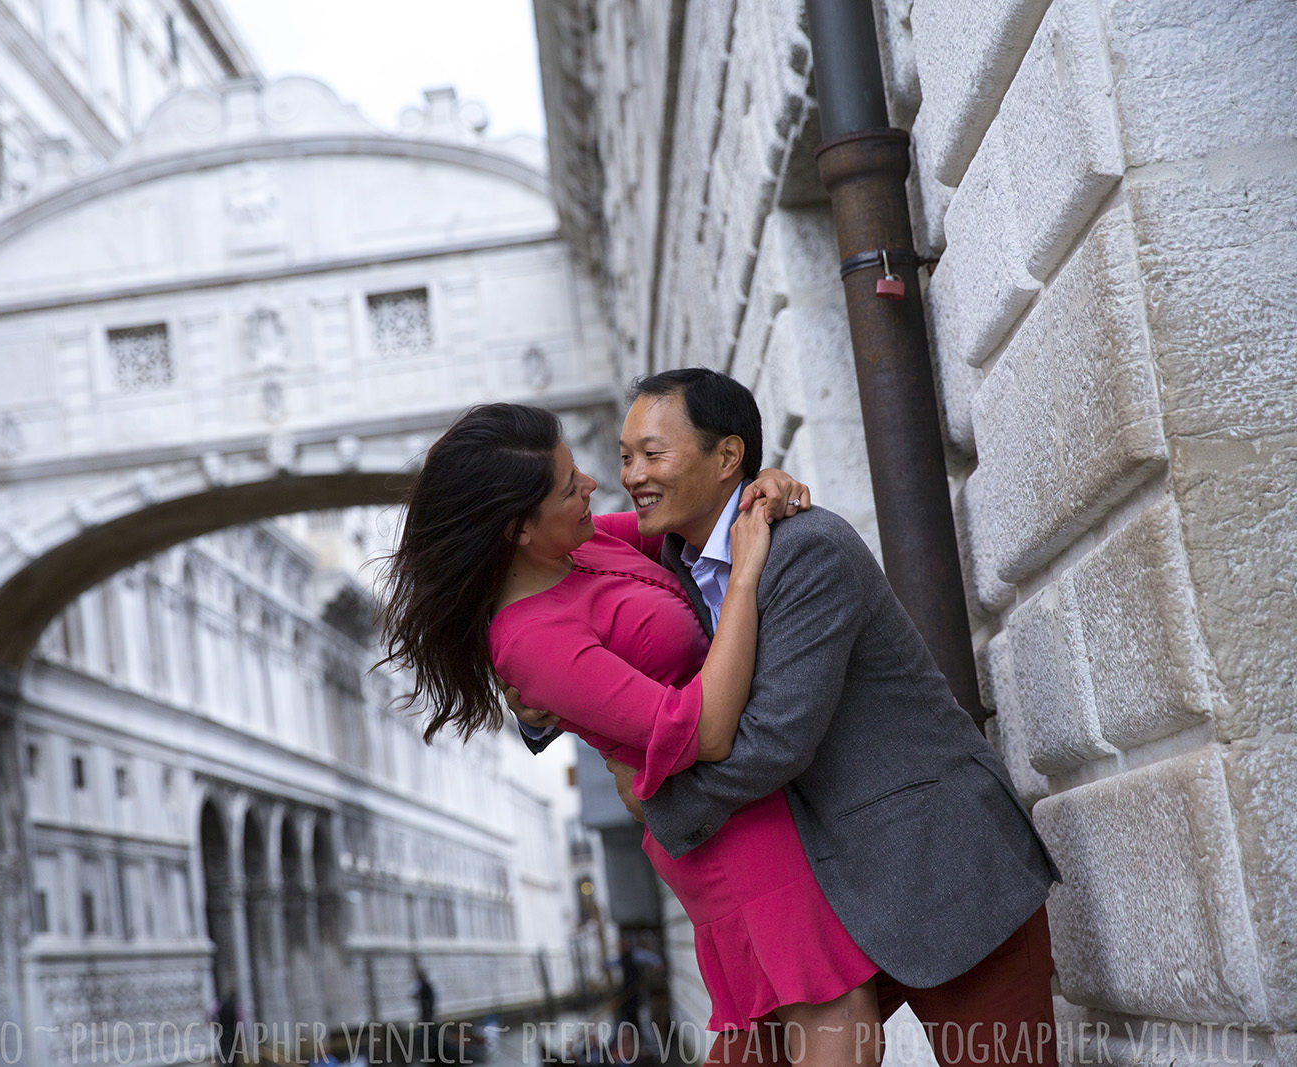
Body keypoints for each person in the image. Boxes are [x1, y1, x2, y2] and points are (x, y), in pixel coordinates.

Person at [512, 369, 1061, 1067]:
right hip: (819, 900)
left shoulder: (808, 550)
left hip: (940, 873)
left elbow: (773, 742)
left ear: (726, 458)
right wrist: (530, 696)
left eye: (652, 454)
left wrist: (663, 810)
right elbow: (550, 602)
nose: (630, 476)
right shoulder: (667, 558)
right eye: (626, 457)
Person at [378, 403, 882, 1067]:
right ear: (518, 529)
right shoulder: (531, 642)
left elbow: (687, 524)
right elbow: (704, 732)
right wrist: (749, 572)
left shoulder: (580, 545)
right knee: (840, 1023)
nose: (592, 483)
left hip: (752, 802)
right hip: (725, 833)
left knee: (797, 1034)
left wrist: (761, 488)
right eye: (568, 485)